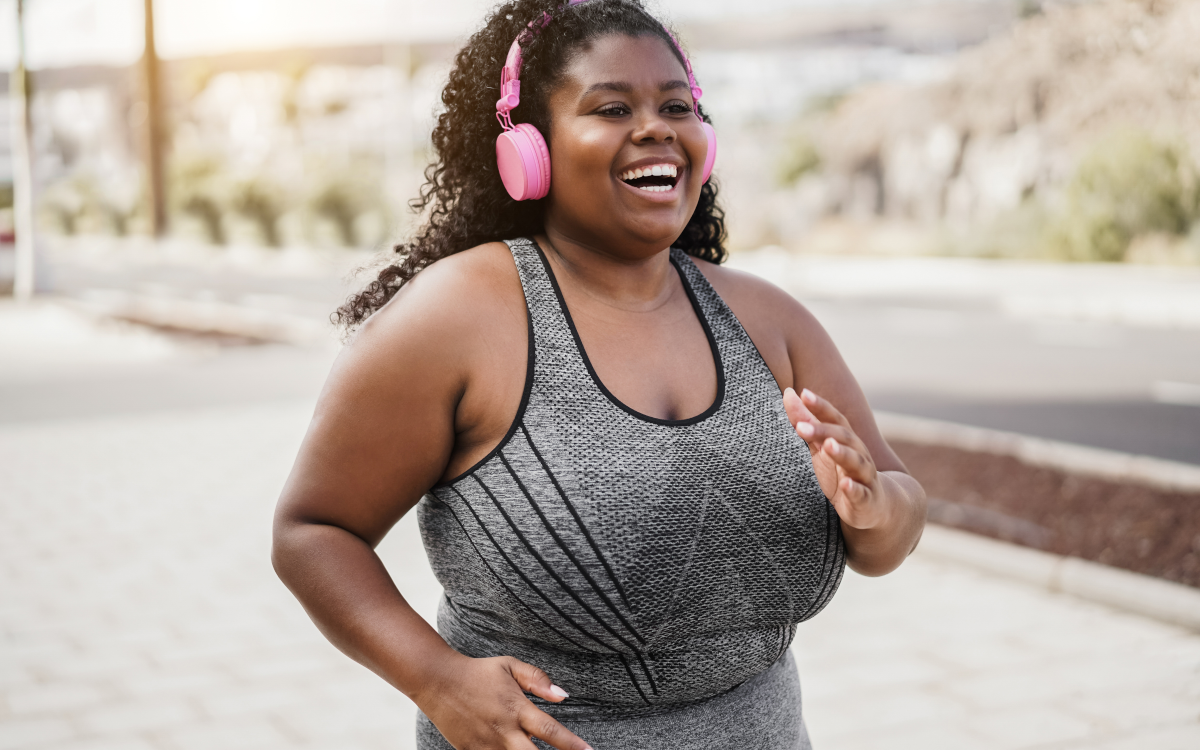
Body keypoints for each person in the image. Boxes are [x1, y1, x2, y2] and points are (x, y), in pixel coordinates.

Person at [271, 1, 927, 748]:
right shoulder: (459, 316)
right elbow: (313, 531)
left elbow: (893, 529)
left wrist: (872, 509)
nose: (655, 127)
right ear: (529, 150)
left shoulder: (770, 321)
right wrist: (436, 677)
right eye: (612, 107)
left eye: (675, 106)